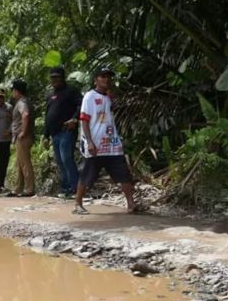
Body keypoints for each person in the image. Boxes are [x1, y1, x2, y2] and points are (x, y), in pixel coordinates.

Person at [74, 66, 136, 214]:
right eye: (103, 76)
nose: (107, 79)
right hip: (95, 143)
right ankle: (78, 204)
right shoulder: (89, 97)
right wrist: (89, 141)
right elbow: (84, 120)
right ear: (96, 79)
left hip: (111, 143)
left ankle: (131, 204)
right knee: (88, 174)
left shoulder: (109, 97)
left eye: (108, 76)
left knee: (123, 174)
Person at [42, 66, 83, 199]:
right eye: (52, 77)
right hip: (54, 133)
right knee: (60, 161)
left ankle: (75, 188)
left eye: (57, 77)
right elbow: (48, 115)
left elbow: (81, 105)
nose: (54, 80)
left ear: (62, 77)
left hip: (66, 131)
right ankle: (66, 188)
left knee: (67, 159)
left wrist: (74, 119)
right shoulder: (51, 94)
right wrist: (45, 135)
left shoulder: (71, 91)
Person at [8, 79, 36, 197]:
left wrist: (23, 131)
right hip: (23, 136)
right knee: (20, 163)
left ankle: (29, 189)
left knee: (25, 163)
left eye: (13, 90)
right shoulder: (25, 101)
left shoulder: (21, 102)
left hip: (23, 137)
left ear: (16, 91)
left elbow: (25, 115)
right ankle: (18, 188)